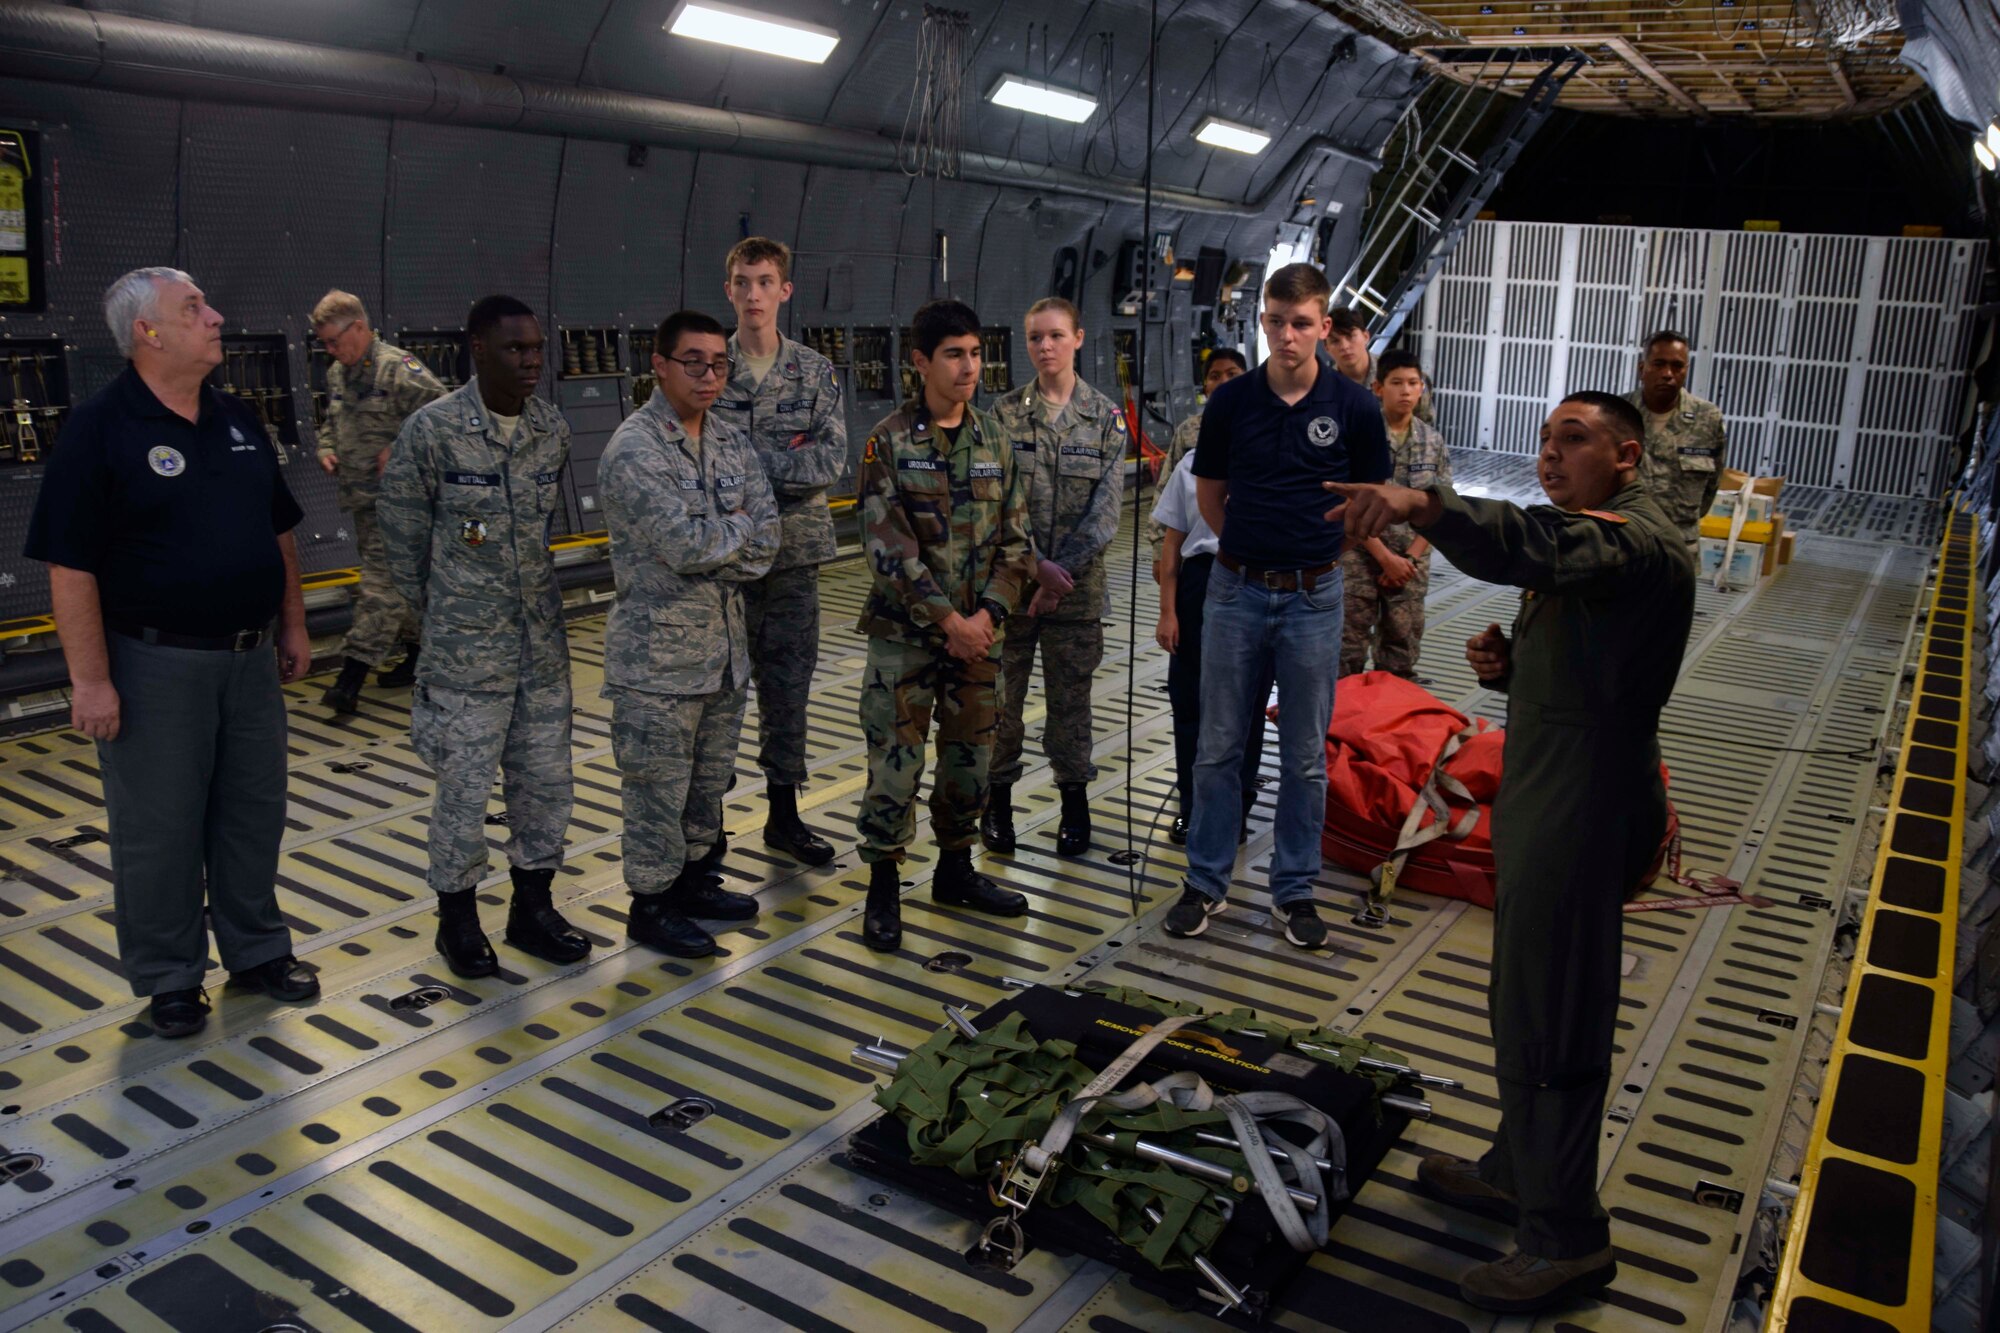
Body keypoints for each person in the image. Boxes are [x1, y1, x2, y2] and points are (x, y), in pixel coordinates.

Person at [1324, 391, 1694, 1314]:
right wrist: (1515, 667)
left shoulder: (1630, 538)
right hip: (1551, 788)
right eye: (1545, 438)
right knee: (1523, 993)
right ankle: (1514, 1167)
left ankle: (1565, 1237)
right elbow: (1595, 651)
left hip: (1584, 801)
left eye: (1576, 439)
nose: (1551, 454)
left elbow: (1538, 543)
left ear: (1629, 457)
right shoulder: (1597, 536)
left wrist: (1423, 505)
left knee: (1556, 1013)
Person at [26, 267, 319, 1038]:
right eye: (195, 308)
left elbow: (278, 529)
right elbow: (69, 564)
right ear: (148, 333)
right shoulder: (99, 428)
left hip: (249, 659)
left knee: (252, 813)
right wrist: (90, 680)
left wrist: (293, 624)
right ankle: (170, 976)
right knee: (159, 827)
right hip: (154, 664)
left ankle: (256, 950)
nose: (216, 317)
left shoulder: (236, 418)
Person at [1169, 263, 1391, 949]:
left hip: (1313, 597)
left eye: (1300, 323)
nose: (1286, 335)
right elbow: (1209, 493)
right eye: (1275, 320)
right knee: (1217, 747)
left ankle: (1294, 888)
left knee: (1301, 755)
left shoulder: (1354, 407)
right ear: (1261, 321)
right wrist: (1245, 544)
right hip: (1236, 591)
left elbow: (1373, 496)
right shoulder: (1232, 403)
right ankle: (1205, 879)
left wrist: (1325, 541)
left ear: (1324, 327)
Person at [378, 295, 590, 979]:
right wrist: (447, 621)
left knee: (546, 784)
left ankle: (533, 907)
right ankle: (458, 919)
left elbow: (540, 537)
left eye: (536, 349)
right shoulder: (433, 432)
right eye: (514, 350)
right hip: (465, 656)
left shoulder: (549, 430)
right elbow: (403, 546)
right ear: (477, 347)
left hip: (541, 651)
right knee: (463, 794)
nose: (531, 362)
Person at [853, 298, 1033, 951]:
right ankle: (882, 888)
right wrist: (949, 619)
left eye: (976, 353)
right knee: (894, 770)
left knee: (969, 764)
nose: (969, 367)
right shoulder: (890, 441)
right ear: (921, 361)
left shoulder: (996, 440)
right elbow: (886, 549)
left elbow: (1018, 543)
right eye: (954, 354)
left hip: (978, 641)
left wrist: (986, 615)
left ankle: (956, 871)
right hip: (906, 640)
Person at [601, 311, 780, 957]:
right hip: (658, 664)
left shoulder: (731, 442)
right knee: (657, 790)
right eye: (693, 362)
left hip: (724, 655)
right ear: (659, 364)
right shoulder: (635, 448)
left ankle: (697, 882)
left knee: (709, 784)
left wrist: (728, 537)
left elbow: (770, 537)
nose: (709, 375)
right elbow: (683, 545)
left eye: (718, 363)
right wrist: (733, 533)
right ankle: (652, 905)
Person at [713, 238, 847, 870]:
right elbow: (689, 463)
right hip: (723, 561)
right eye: (743, 282)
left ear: (785, 291)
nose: (754, 294)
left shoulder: (814, 372)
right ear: (730, 290)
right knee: (716, 692)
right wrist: (781, 463)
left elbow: (829, 460)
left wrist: (744, 468)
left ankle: (784, 817)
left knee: (787, 687)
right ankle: (704, 824)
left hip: (792, 557)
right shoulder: (708, 367)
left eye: (766, 282)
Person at [985, 298, 1126, 857]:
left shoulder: (1105, 418)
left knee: (1071, 706)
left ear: (1078, 339)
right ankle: (996, 804)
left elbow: (1106, 513)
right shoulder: (1001, 416)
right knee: (1001, 706)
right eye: (1035, 338)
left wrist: (1055, 574)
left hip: (1074, 594)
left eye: (1055, 336)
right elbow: (994, 501)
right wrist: (1032, 567)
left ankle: (1074, 805)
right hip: (1009, 590)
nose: (1045, 347)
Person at [311, 291, 449, 714]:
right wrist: (326, 448)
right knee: (402, 587)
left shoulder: (397, 368)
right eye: (325, 344)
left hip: (402, 504)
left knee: (379, 588)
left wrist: (402, 448)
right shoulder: (338, 374)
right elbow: (330, 422)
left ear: (358, 327)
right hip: (362, 500)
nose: (330, 350)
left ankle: (348, 680)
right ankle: (418, 655)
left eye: (335, 341)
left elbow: (445, 417)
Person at [1152, 446, 1270, 848]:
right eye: (1216, 377)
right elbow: (1173, 542)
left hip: (1256, 581)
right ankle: (1192, 806)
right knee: (1190, 704)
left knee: (1247, 706)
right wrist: (1168, 610)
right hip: (1200, 582)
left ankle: (1236, 807)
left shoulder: (1274, 455)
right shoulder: (1192, 461)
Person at [1339, 349, 1452, 678]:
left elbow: (1442, 505)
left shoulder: (1432, 442)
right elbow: (1349, 501)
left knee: (1400, 654)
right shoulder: (1359, 436)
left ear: (1422, 389)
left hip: (1410, 563)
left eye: (1414, 383)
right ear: (1378, 387)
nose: (1406, 390)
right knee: (1346, 653)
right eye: (1397, 382)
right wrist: (1384, 556)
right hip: (1359, 557)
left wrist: (1411, 559)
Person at [1147, 348, 1247, 573]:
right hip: (1198, 549)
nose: (1224, 382)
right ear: (1205, 387)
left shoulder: (1261, 427)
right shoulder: (1190, 431)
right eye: (1215, 376)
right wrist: (1159, 551)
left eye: (1233, 374)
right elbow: (1167, 493)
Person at [1626, 330, 1726, 555]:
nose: (1668, 374)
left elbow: (1713, 484)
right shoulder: (1617, 414)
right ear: (1642, 369)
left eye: (1677, 366)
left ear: (1686, 371)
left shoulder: (1708, 418)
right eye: (1659, 364)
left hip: (1679, 547)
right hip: (1624, 542)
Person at [1326, 305, 1434, 423]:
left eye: (1351, 336)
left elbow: (1425, 428)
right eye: (1335, 341)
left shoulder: (1402, 375)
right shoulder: (1322, 386)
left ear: (1366, 336)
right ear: (1326, 348)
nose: (1345, 347)